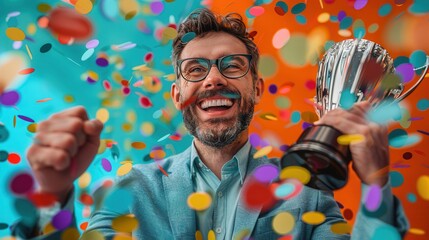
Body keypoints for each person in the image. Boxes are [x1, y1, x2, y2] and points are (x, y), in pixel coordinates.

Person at [13, 8, 408, 240]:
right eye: (195, 69)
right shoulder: (134, 189)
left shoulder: (308, 194)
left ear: (256, 87)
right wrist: (52, 192)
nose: (213, 79)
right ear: (177, 94)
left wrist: (376, 184)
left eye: (231, 65)